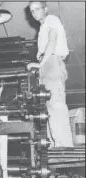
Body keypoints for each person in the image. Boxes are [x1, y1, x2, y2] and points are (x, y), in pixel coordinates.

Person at [27, 1, 74, 147]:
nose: (34, 13)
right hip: (46, 65)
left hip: (51, 62)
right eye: (31, 11)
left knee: (56, 104)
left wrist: (41, 63)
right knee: (47, 107)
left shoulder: (51, 19)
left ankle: (64, 146)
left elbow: (52, 41)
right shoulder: (42, 27)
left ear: (45, 9)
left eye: (37, 9)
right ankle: (54, 146)